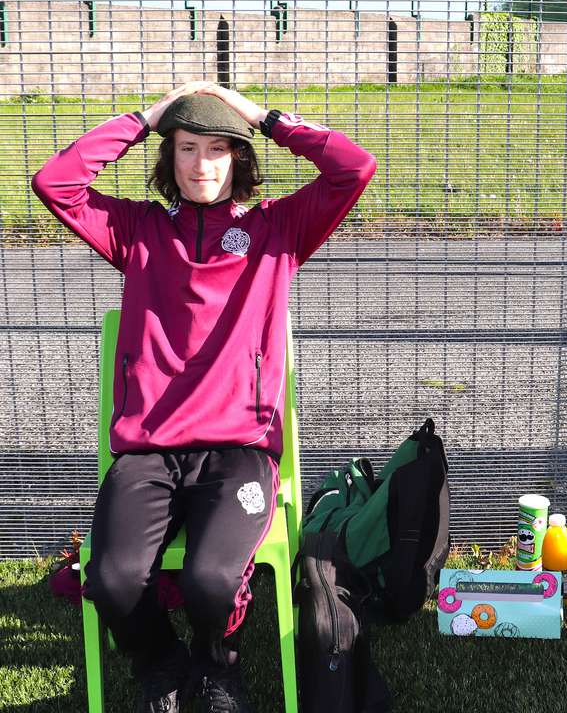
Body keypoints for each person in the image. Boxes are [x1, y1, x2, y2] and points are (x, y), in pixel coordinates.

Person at [32, 82, 376, 713]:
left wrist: (263, 117)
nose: (200, 165)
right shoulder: (138, 230)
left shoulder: (277, 230)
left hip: (238, 450)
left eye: (218, 148)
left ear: (239, 158)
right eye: (187, 147)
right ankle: (161, 662)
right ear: (169, 157)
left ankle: (219, 665)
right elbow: (55, 183)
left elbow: (354, 167)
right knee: (110, 579)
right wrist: (147, 118)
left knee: (210, 580)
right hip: (149, 451)